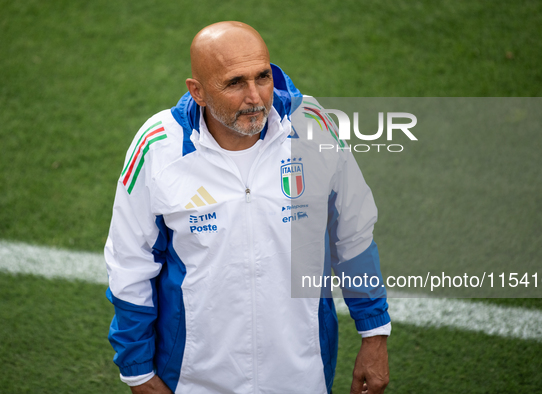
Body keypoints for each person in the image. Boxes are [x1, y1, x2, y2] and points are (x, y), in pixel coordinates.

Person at [105, 21, 391, 394]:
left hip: (303, 375)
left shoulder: (314, 127)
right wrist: (138, 370)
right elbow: (130, 261)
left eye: (262, 77)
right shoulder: (158, 146)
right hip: (194, 379)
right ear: (199, 92)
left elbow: (352, 235)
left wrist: (374, 335)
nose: (255, 97)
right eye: (235, 83)